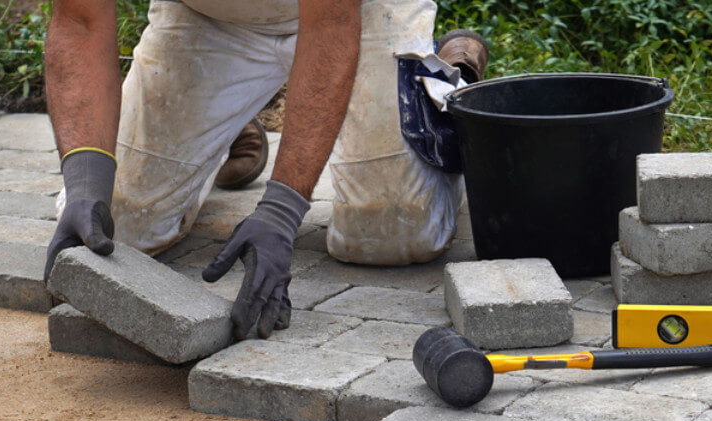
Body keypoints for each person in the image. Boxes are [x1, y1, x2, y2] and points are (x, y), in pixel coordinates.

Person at [43, 0, 488, 339]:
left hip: (363, 9)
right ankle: (227, 124)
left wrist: (281, 210)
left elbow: (331, 22)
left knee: (393, 229)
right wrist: (84, 182)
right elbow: (79, 19)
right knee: (115, 228)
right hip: (207, 16)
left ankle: (446, 81)